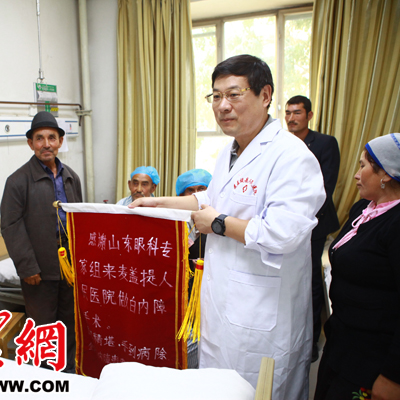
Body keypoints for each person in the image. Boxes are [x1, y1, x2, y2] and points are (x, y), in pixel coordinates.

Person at [130, 54, 325, 400]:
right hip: (222, 305)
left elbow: (282, 232)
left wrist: (218, 224)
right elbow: (211, 199)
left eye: (234, 94)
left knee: (260, 390)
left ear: (265, 95)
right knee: (218, 387)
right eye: (216, 96)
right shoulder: (229, 152)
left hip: (262, 314)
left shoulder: (291, 156)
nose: (222, 106)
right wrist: (158, 203)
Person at [314, 133, 400, 400]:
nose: (356, 175)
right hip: (343, 342)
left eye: (363, 166)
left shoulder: (396, 224)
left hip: (373, 357)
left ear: (386, 174)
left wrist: (392, 376)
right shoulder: (363, 208)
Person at [0, 111, 83, 372]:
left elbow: (80, 219)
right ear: (30, 143)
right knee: (43, 325)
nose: (46, 144)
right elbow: (11, 226)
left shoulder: (71, 177)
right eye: (39, 138)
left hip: (69, 265)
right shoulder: (17, 181)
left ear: (60, 141)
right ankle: (44, 375)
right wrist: (27, 267)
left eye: (51, 137)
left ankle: (68, 371)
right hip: (39, 267)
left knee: (70, 320)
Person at [285, 95, 341, 362]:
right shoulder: (282, 144)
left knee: (310, 280)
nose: (291, 118)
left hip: (313, 223)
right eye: (287, 113)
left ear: (309, 115)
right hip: (284, 222)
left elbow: (324, 187)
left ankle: (311, 342)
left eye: (297, 113)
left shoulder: (325, 143)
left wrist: (294, 213)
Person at [176, 168, 212, 370]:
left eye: (202, 189)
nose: (196, 195)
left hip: (208, 305)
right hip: (180, 305)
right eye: (190, 191)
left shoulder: (218, 229)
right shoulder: (174, 227)